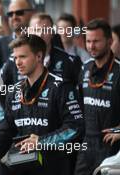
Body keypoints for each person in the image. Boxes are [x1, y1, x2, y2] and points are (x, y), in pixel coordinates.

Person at [0, 34, 84, 175]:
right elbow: (6, 130)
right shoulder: (15, 91)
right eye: (15, 58)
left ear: (39, 56)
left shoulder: (61, 87)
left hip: (54, 167)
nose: (17, 62)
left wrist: (41, 142)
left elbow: (75, 127)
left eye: (23, 57)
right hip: (22, 166)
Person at [74, 19, 120, 175]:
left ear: (110, 41)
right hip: (87, 145)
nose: (91, 46)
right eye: (88, 41)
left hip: (112, 148)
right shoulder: (85, 68)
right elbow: (78, 107)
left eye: (96, 41)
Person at [0, 0, 35, 72]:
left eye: (19, 13)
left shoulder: (43, 41)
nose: (14, 17)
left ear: (32, 14)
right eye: (10, 14)